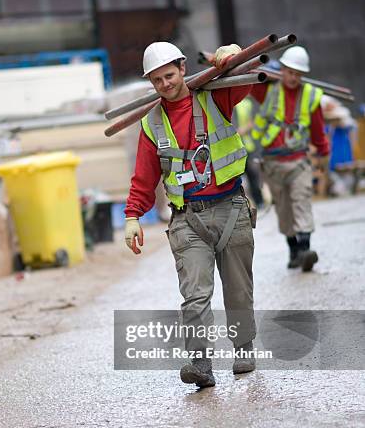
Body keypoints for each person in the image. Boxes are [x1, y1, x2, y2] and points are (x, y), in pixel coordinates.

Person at [124, 41, 256, 388]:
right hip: (188, 219)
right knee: (195, 296)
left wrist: (231, 55)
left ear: (182, 68)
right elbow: (144, 176)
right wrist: (132, 216)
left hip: (231, 209)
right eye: (156, 81)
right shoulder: (152, 124)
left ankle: (243, 347)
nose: (165, 85)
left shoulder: (216, 96)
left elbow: (250, 77)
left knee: (238, 291)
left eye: (169, 76)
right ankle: (200, 364)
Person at [250, 46, 329, 271]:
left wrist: (323, 154)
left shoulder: (311, 96)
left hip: (298, 162)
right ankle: (294, 251)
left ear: (303, 74)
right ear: (281, 70)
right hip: (272, 164)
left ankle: (305, 250)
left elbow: (317, 130)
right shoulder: (267, 91)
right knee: (283, 209)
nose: (293, 77)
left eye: (298, 73)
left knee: (302, 202)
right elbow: (244, 83)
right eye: (289, 71)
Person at [233, 97, 264, 208]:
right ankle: (252, 203)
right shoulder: (243, 103)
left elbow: (254, 123)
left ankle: (259, 202)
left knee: (252, 176)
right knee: (244, 179)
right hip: (238, 148)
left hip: (247, 147)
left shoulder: (247, 103)